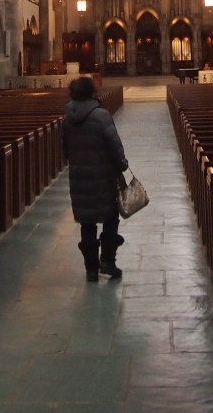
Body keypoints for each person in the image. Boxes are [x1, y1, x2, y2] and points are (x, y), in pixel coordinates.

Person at [62, 76, 129, 282]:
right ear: (92, 92)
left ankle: (91, 269)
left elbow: (66, 150)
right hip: (104, 176)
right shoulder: (101, 116)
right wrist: (122, 165)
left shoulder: (67, 119)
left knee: (87, 222)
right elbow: (113, 144)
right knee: (110, 218)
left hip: (79, 178)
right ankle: (108, 261)